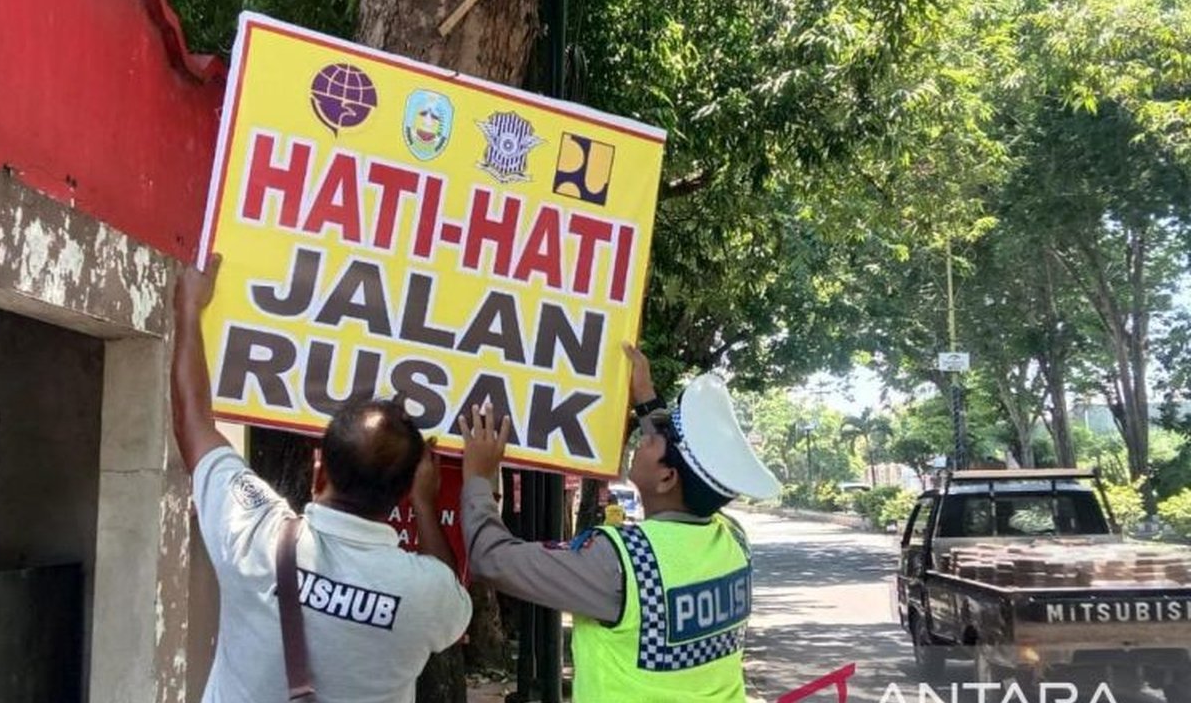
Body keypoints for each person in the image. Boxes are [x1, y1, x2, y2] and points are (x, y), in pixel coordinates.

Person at [172, 255, 471, 703]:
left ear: (320, 471)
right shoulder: (422, 593)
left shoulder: (256, 533)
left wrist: (189, 311)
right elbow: (450, 594)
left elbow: (193, 425)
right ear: (406, 491)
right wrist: (427, 507)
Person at [459, 344, 780, 703]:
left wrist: (480, 477)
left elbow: (491, 560)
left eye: (654, 438)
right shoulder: (731, 539)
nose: (644, 438)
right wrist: (645, 397)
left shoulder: (622, 563)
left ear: (667, 478)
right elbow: (685, 461)